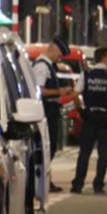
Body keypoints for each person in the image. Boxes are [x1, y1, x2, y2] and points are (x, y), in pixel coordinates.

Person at [72, 47, 107, 194]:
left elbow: (75, 94)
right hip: (105, 117)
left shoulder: (86, 74)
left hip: (90, 117)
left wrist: (81, 110)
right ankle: (98, 185)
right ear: (104, 57)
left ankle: (78, 185)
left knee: (84, 153)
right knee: (103, 154)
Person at [32, 38, 72, 193]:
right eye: (60, 55)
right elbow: (39, 90)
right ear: (53, 49)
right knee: (47, 146)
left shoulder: (48, 65)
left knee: (51, 146)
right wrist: (59, 92)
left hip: (51, 110)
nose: (59, 58)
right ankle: (43, 181)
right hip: (46, 110)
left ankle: (46, 179)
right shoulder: (42, 67)